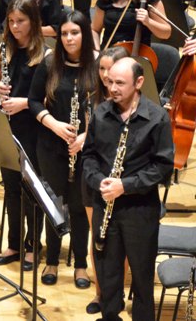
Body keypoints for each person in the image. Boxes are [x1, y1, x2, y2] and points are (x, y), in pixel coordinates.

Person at [81, 57, 173, 320]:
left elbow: (162, 167)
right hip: (105, 202)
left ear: (139, 82)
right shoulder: (101, 113)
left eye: (120, 83)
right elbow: (89, 156)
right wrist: (98, 180)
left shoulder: (157, 118)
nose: (112, 88)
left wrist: (125, 185)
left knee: (142, 276)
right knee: (108, 273)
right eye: (110, 82)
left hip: (139, 209)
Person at [28, 11, 98, 288]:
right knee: (54, 203)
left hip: (85, 148)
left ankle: (80, 265)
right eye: (65, 34)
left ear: (85, 34)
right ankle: (52, 261)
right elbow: (33, 101)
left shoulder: (98, 66)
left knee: (79, 206)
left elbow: (107, 109)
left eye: (75, 33)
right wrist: (54, 124)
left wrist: (85, 137)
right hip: (51, 144)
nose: (69, 38)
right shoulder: (49, 63)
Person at [0, 0, 48, 270]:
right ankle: (14, 244)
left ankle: (34, 245)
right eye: (11, 21)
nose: (15, 26)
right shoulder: (4, 49)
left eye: (21, 21)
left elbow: (52, 97)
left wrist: (24, 103)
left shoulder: (45, 55)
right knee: (11, 189)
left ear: (33, 22)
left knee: (31, 191)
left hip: (33, 128)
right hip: (7, 127)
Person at [82, 44, 127, 315]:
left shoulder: (133, 102)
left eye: (111, 69)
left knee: (120, 240)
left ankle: (116, 294)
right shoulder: (93, 99)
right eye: (101, 68)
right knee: (97, 235)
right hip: (94, 177)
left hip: (122, 181)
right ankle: (100, 293)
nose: (106, 75)